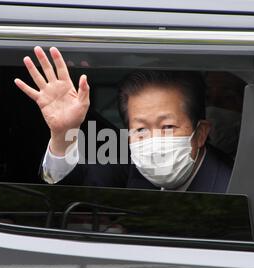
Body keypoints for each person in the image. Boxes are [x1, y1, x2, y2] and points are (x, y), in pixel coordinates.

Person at [14, 46, 232, 192]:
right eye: (140, 130)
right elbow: (72, 191)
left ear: (201, 132)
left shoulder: (231, 184)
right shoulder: (128, 160)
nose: (153, 142)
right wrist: (62, 136)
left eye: (167, 127)